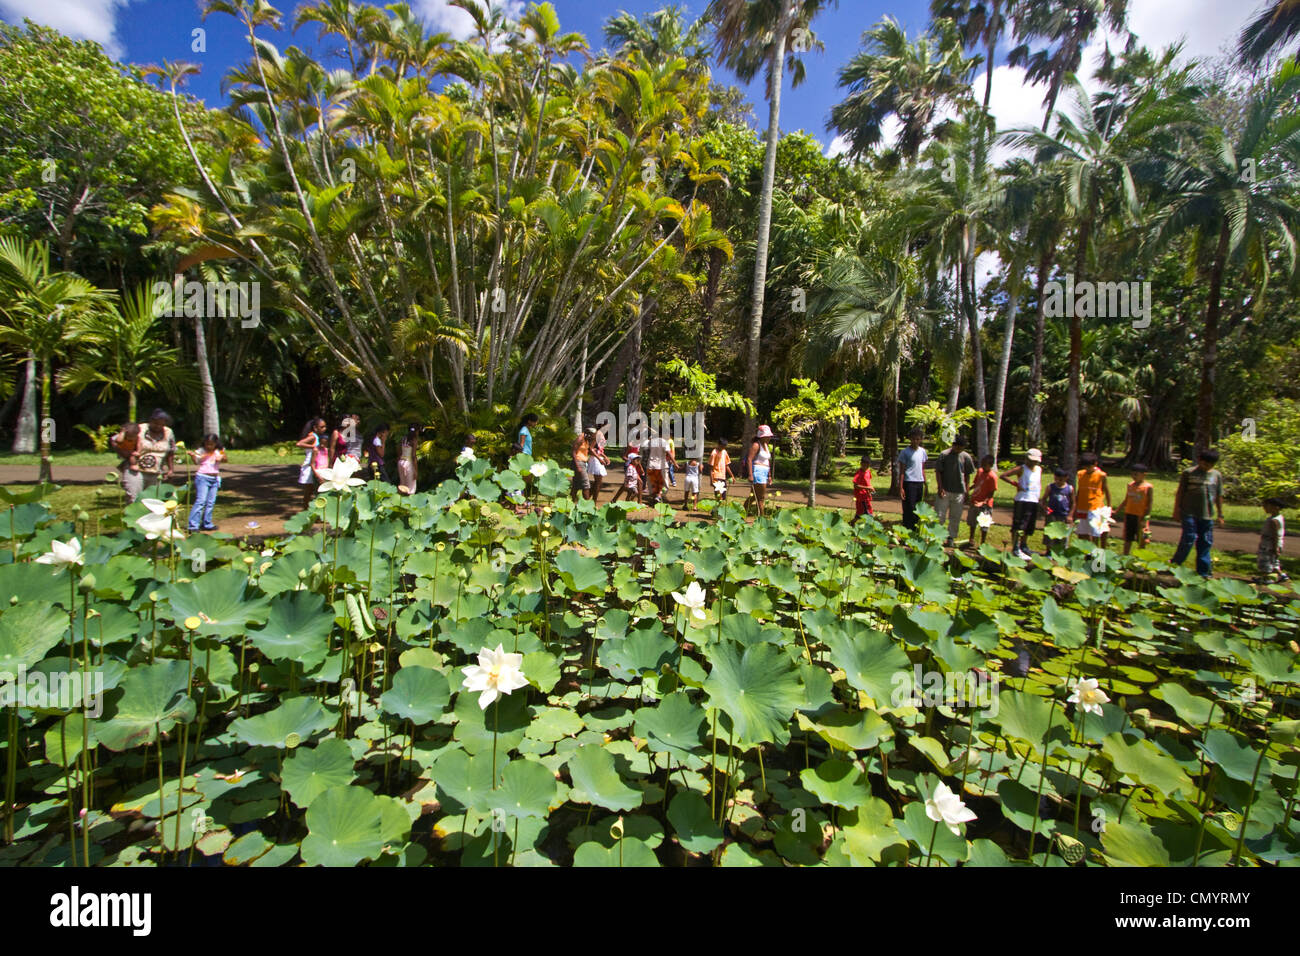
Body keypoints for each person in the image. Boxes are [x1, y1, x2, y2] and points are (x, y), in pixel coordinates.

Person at [1171, 449, 1224, 578]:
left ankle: (1204, 570)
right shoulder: (1188, 473)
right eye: (1205, 464)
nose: (1207, 467)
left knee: (1205, 541)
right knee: (1188, 538)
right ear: (1200, 461)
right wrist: (1176, 510)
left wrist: (1220, 514)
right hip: (1188, 512)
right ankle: (1175, 563)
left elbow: (1219, 495)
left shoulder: (1216, 475)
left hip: (1207, 514)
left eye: (1211, 465)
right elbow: (1180, 492)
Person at [1001, 448, 1044, 559]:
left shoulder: (1039, 469)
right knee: (1019, 525)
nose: (1032, 463)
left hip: (1033, 500)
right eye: (1031, 460)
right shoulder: (1021, 469)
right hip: (1022, 499)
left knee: (1029, 525)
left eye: (1035, 461)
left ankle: (1024, 545)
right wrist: (1016, 484)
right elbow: (1003, 475)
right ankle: (1015, 547)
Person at [935, 435, 975, 546]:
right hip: (945, 490)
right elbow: (938, 471)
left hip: (959, 491)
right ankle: (936, 537)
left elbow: (967, 475)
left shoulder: (966, 457)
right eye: (957, 447)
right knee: (939, 515)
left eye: (961, 448)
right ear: (953, 445)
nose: (958, 450)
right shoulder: (944, 454)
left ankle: (951, 537)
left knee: (955, 516)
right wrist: (940, 487)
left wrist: (967, 491)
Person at [186, 434, 226, 532]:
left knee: (210, 502)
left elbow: (225, 459)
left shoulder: (220, 450)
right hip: (203, 477)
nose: (209, 446)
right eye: (207, 444)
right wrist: (192, 456)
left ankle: (207, 523)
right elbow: (196, 461)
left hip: (214, 478)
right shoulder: (201, 451)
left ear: (216, 443)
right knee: (201, 501)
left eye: (211, 444)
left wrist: (221, 457)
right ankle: (193, 525)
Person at [1072, 452, 1112, 548]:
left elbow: (1106, 491)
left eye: (1089, 466)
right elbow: (1079, 490)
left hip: (1095, 507)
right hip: (1082, 506)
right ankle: (1087, 553)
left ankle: (1097, 555)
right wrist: (1075, 506)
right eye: (1085, 467)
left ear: (1095, 464)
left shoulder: (1101, 475)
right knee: (1082, 531)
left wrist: (1109, 506)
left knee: (1095, 532)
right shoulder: (1080, 474)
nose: (1087, 469)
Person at [136, 409, 177, 499]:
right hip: (137, 470)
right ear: (150, 421)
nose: (158, 426)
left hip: (156, 471)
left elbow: (171, 451)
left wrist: (170, 470)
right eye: (155, 423)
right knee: (135, 497)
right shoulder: (140, 428)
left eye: (161, 424)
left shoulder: (168, 432)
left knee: (152, 498)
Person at [896, 427, 928, 531]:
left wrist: (925, 483)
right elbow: (902, 471)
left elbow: (922, 468)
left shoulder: (922, 452)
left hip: (919, 482)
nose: (915, 441)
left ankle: (916, 530)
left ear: (921, 439)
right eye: (914, 439)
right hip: (909, 482)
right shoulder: (905, 452)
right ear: (910, 439)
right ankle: (907, 529)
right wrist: (901, 487)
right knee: (909, 507)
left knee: (918, 508)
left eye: (918, 439)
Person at [1121, 464, 1154, 556]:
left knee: (1142, 538)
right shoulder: (1130, 485)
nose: (1133, 476)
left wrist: (1146, 516)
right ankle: (1125, 556)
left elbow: (1150, 502)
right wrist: (1118, 509)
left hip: (1141, 515)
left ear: (1144, 475)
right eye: (1132, 474)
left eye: (1136, 474)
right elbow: (1127, 499)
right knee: (1128, 538)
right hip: (1129, 514)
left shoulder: (1148, 487)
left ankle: (1140, 557)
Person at [966, 454, 998, 547]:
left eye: (985, 464)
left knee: (984, 525)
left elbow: (991, 493)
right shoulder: (980, 471)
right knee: (972, 522)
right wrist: (968, 490)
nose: (983, 466)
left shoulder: (992, 477)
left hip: (985, 505)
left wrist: (983, 502)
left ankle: (982, 543)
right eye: (982, 464)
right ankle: (971, 539)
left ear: (990, 465)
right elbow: (976, 483)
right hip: (975, 501)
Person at [1042, 467, 1074, 554]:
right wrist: (1045, 508)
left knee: (1063, 534)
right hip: (1052, 514)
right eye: (1056, 479)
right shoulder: (1050, 487)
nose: (1058, 481)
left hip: (1064, 514)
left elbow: (1073, 503)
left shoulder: (1069, 488)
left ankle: (1061, 552)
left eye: (1061, 479)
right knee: (1050, 533)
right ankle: (1048, 551)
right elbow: (1044, 499)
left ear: (1066, 478)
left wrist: (1070, 515)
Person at [296, 417, 326, 507]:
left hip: (315, 466)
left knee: (314, 490)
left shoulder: (317, 437)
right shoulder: (312, 436)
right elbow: (299, 443)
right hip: (309, 467)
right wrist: (313, 447)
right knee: (308, 492)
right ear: (315, 428)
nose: (324, 429)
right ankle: (305, 510)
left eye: (325, 426)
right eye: (322, 427)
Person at [1257, 498, 1288, 583]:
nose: (1265, 508)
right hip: (1273, 543)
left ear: (1276, 507)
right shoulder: (1278, 518)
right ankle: (1281, 575)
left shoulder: (1274, 521)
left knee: (1265, 561)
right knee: (1274, 561)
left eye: (1267, 506)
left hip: (1269, 544)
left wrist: (1275, 547)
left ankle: (1266, 578)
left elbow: (1275, 535)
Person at [111, 422, 144, 503]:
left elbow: (140, 445)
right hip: (123, 449)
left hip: (131, 451)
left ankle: (133, 464)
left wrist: (138, 452)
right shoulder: (120, 437)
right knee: (130, 456)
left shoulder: (137, 438)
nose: (130, 438)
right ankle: (131, 466)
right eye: (129, 436)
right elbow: (118, 441)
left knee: (132, 456)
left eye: (133, 436)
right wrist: (122, 433)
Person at [747, 425, 775, 518]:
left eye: (769, 436)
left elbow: (767, 461)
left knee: (754, 496)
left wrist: (769, 475)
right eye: (767, 436)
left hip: (764, 472)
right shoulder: (756, 445)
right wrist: (750, 474)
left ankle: (743, 511)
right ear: (762, 437)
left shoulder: (766, 446)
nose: (769, 438)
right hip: (758, 472)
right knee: (761, 498)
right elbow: (749, 459)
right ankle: (762, 517)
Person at [643, 427, 674, 506]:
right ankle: (659, 496)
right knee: (663, 484)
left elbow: (645, 449)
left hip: (651, 465)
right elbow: (669, 453)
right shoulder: (664, 442)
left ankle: (654, 499)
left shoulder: (651, 442)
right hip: (661, 466)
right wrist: (675, 463)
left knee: (653, 483)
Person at [587, 425, 611, 504]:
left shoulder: (601, 434)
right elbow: (590, 449)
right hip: (595, 459)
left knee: (598, 483)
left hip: (598, 458)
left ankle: (587, 500)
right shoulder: (597, 434)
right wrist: (600, 459)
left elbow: (599, 449)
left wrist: (605, 457)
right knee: (598, 483)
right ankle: (593, 502)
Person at [851, 454, 875, 524]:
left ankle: (852, 522)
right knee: (868, 512)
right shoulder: (859, 473)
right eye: (864, 465)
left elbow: (868, 483)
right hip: (861, 496)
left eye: (867, 465)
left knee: (860, 512)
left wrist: (870, 491)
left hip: (866, 495)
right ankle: (871, 526)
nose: (865, 466)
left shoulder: (868, 472)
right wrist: (868, 488)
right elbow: (856, 486)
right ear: (861, 464)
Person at [398, 425, 419, 493]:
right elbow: (413, 456)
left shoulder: (403, 439)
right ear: (416, 431)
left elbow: (399, 451)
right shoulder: (414, 440)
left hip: (401, 462)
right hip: (408, 463)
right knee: (411, 487)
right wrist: (416, 470)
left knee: (402, 485)